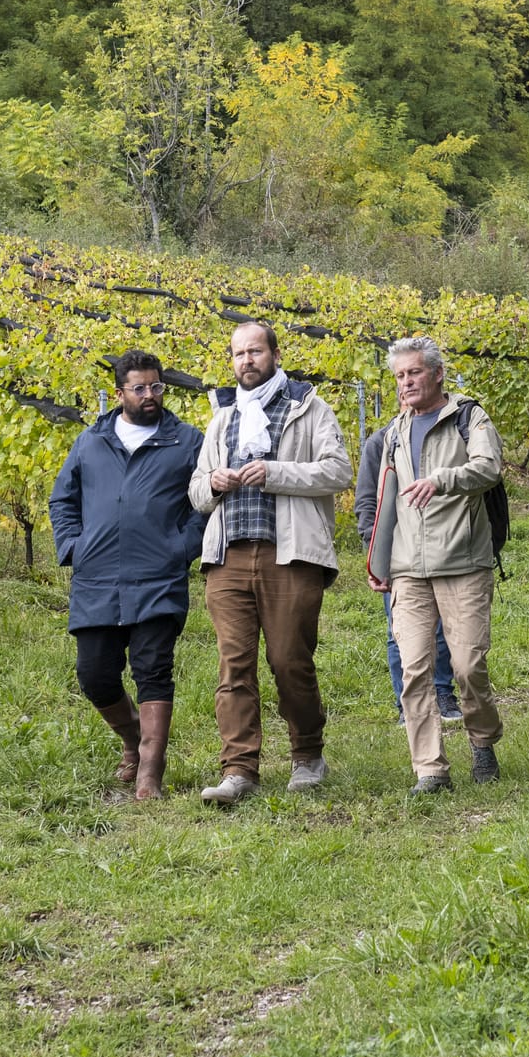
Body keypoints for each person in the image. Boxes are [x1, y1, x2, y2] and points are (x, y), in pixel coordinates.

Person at [191, 321, 352, 804]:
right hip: (228, 557)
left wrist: (276, 472)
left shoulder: (308, 408)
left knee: (289, 661)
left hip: (291, 555)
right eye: (238, 354)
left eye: (255, 351)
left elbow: (338, 471)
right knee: (233, 666)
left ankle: (307, 755)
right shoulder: (221, 417)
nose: (246, 361)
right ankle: (239, 770)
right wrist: (213, 483)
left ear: (275, 355)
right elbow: (196, 490)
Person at [48, 350, 206, 801]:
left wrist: (181, 548)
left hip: (158, 577)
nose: (150, 395)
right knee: (94, 674)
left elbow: (204, 502)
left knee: (153, 669)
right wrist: (72, 546)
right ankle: (133, 740)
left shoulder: (186, 441)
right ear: (119, 394)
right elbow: (63, 499)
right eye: (139, 388)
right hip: (96, 577)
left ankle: (150, 775)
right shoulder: (91, 441)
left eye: (156, 386)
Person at [366, 336, 505, 793]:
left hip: (463, 561)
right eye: (400, 376)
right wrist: (378, 562)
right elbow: (386, 501)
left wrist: (442, 480)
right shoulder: (394, 432)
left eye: (414, 373)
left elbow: (489, 469)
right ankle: (430, 769)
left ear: (437, 373)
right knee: (414, 670)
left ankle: (482, 741)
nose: (406, 383)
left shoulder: (469, 417)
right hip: (408, 569)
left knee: (466, 666)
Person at [354, 423, 462, 724]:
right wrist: (376, 550)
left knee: (440, 625)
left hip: (441, 546)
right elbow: (365, 500)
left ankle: (442, 692)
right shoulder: (381, 441)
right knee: (398, 630)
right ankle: (408, 705)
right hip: (398, 552)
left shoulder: (443, 436)